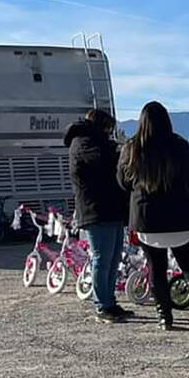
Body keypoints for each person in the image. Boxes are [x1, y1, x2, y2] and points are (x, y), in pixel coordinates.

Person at [117, 101, 189, 330]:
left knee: (156, 270)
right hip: (180, 220)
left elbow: (123, 182)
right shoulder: (179, 145)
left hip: (148, 222)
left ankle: (164, 317)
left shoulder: (132, 148)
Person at [65, 109, 131, 323]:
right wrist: (120, 151)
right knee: (101, 259)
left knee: (113, 259)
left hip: (112, 209)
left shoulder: (97, 142)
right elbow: (103, 161)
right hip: (96, 210)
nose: (109, 132)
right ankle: (101, 305)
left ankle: (110, 301)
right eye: (107, 128)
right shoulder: (82, 142)